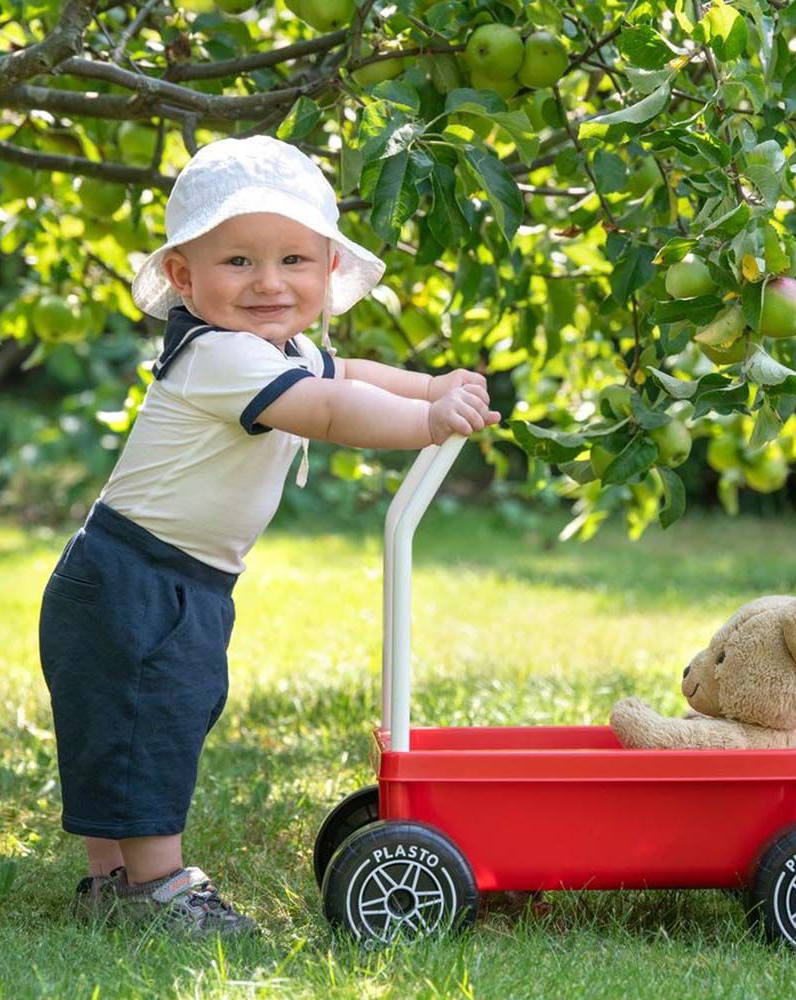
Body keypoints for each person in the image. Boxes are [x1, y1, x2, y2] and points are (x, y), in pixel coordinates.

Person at [38, 135, 500, 936]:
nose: (269, 284)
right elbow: (325, 409)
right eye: (239, 263)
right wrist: (426, 421)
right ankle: (154, 885)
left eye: (293, 260)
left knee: (135, 719)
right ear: (183, 277)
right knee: (148, 722)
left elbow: (345, 376)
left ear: (326, 271)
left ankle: (112, 882)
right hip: (139, 573)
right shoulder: (220, 356)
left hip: (165, 575)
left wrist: (427, 383)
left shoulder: (283, 349)